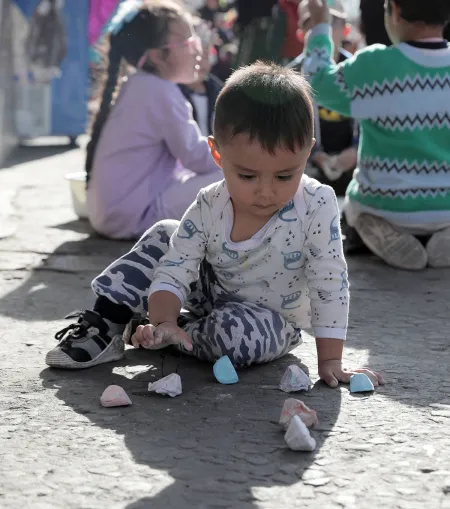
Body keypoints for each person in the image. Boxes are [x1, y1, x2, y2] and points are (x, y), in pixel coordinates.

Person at [46, 61, 384, 390]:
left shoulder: (318, 203)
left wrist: (330, 361)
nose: (265, 191)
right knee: (166, 232)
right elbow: (176, 267)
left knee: (235, 336)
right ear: (217, 153)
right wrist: (163, 319)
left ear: (307, 154)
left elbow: (330, 281)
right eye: (247, 175)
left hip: (269, 321)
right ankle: (109, 322)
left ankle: (178, 334)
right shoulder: (210, 202)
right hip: (209, 292)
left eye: (284, 175)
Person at [302, 0, 450, 270]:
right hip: (446, 206)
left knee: (354, 214)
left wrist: (321, 25)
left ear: (395, 9)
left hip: (386, 207)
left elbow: (315, 82)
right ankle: (441, 237)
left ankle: (372, 234)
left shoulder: (375, 65)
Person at [86, 0, 221, 240]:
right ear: (158, 56)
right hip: (134, 216)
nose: (197, 49)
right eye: (189, 42)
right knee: (236, 179)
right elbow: (197, 158)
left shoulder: (141, 84)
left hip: (112, 214)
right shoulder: (160, 91)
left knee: (240, 175)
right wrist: (244, 157)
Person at [297, 0, 358, 196]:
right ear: (302, 34)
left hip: (356, 175)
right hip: (307, 178)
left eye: (333, 22)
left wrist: (358, 150)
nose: (326, 30)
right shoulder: (290, 75)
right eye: (315, 24)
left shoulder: (361, 70)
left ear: (346, 30)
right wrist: (314, 155)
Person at [178, 18, 223, 136]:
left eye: (206, 55)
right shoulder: (174, 92)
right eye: (196, 55)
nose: (201, 63)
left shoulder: (218, 90)